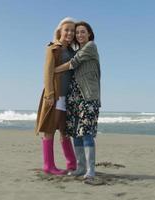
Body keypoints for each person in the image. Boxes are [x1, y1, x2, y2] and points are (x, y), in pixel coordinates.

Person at [55, 21, 101, 179]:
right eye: (77, 32)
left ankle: (91, 169)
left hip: (88, 97)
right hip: (74, 97)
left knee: (87, 133)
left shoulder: (91, 46)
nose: (79, 35)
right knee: (76, 133)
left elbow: (72, 64)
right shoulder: (77, 50)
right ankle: (81, 167)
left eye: (83, 32)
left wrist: (52, 70)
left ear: (89, 34)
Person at [35, 17, 77, 175]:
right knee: (50, 129)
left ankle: (72, 163)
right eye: (67, 29)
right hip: (55, 94)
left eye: (72, 30)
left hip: (68, 96)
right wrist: (50, 94)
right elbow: (47, 72)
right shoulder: (53, 48)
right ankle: (48, 166)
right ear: (60, 31)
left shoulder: (72, 51)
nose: (70, 33)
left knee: (64, 130)